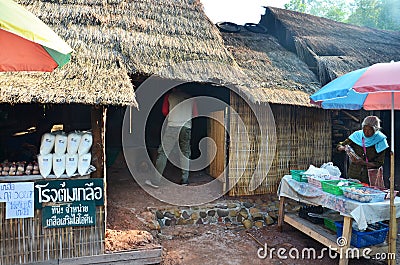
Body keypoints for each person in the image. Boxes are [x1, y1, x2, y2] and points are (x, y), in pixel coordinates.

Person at [145, 88, 198, 188]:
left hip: (173, 126)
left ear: (174, 87)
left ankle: (156, 181)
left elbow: (165, 111)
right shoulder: (191, 98)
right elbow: (195, 114)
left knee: (163, 152)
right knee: (185, 153)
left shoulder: (169, 96)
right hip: (186, 127)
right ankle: (185, 180)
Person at [337, 116, 389, 184]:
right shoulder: (357, 135)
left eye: (369, 130)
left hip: (370, 177)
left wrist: (363, 163)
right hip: (354, 173)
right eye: (364, 129)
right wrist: (343, 148)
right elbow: (340, 145)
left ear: (375, 129)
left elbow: (379, 163)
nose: (366, 132)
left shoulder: (380, 140)